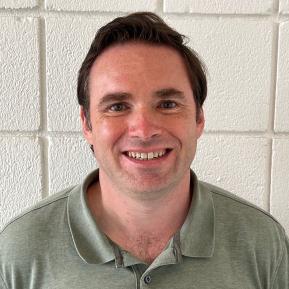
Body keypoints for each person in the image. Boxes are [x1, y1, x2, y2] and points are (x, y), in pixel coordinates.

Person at [0, 12, 288, 289]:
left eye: (167, 104)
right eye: (117, 106)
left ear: (198, 118)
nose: (144, 129)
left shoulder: (261, 242)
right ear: (86, 124)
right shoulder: (20, 252)